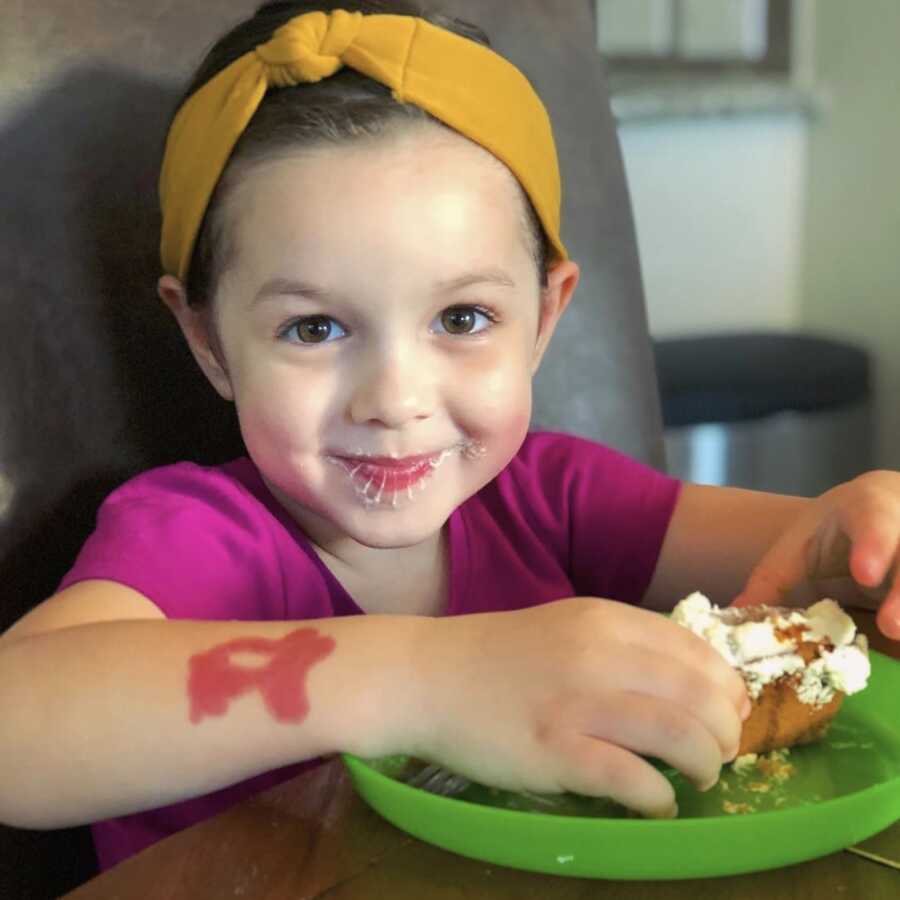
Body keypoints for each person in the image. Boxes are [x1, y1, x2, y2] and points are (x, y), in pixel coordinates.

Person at [1, 0, 898, 873]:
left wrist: (861, 539)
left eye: (462, 317)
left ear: (544, 319)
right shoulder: (197, 540)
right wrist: (426, 680)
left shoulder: (553, 499)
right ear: (208, 341)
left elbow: (800, 554)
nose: (395, 399)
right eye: (314, 328)